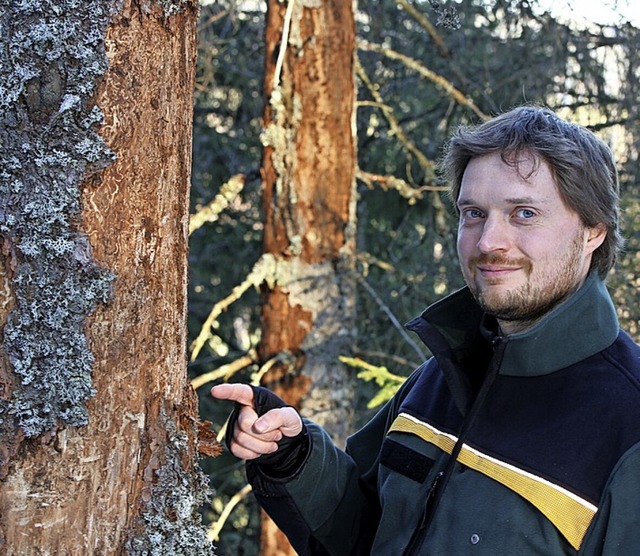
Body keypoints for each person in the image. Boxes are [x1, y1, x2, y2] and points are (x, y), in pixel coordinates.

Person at [211, 105, 640, 555]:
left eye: (524, 213)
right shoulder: (440, 378)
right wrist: (293, 455)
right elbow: (364, 536)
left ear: (593, 231)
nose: (489, 241)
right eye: (473, 213)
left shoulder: (627, 425)